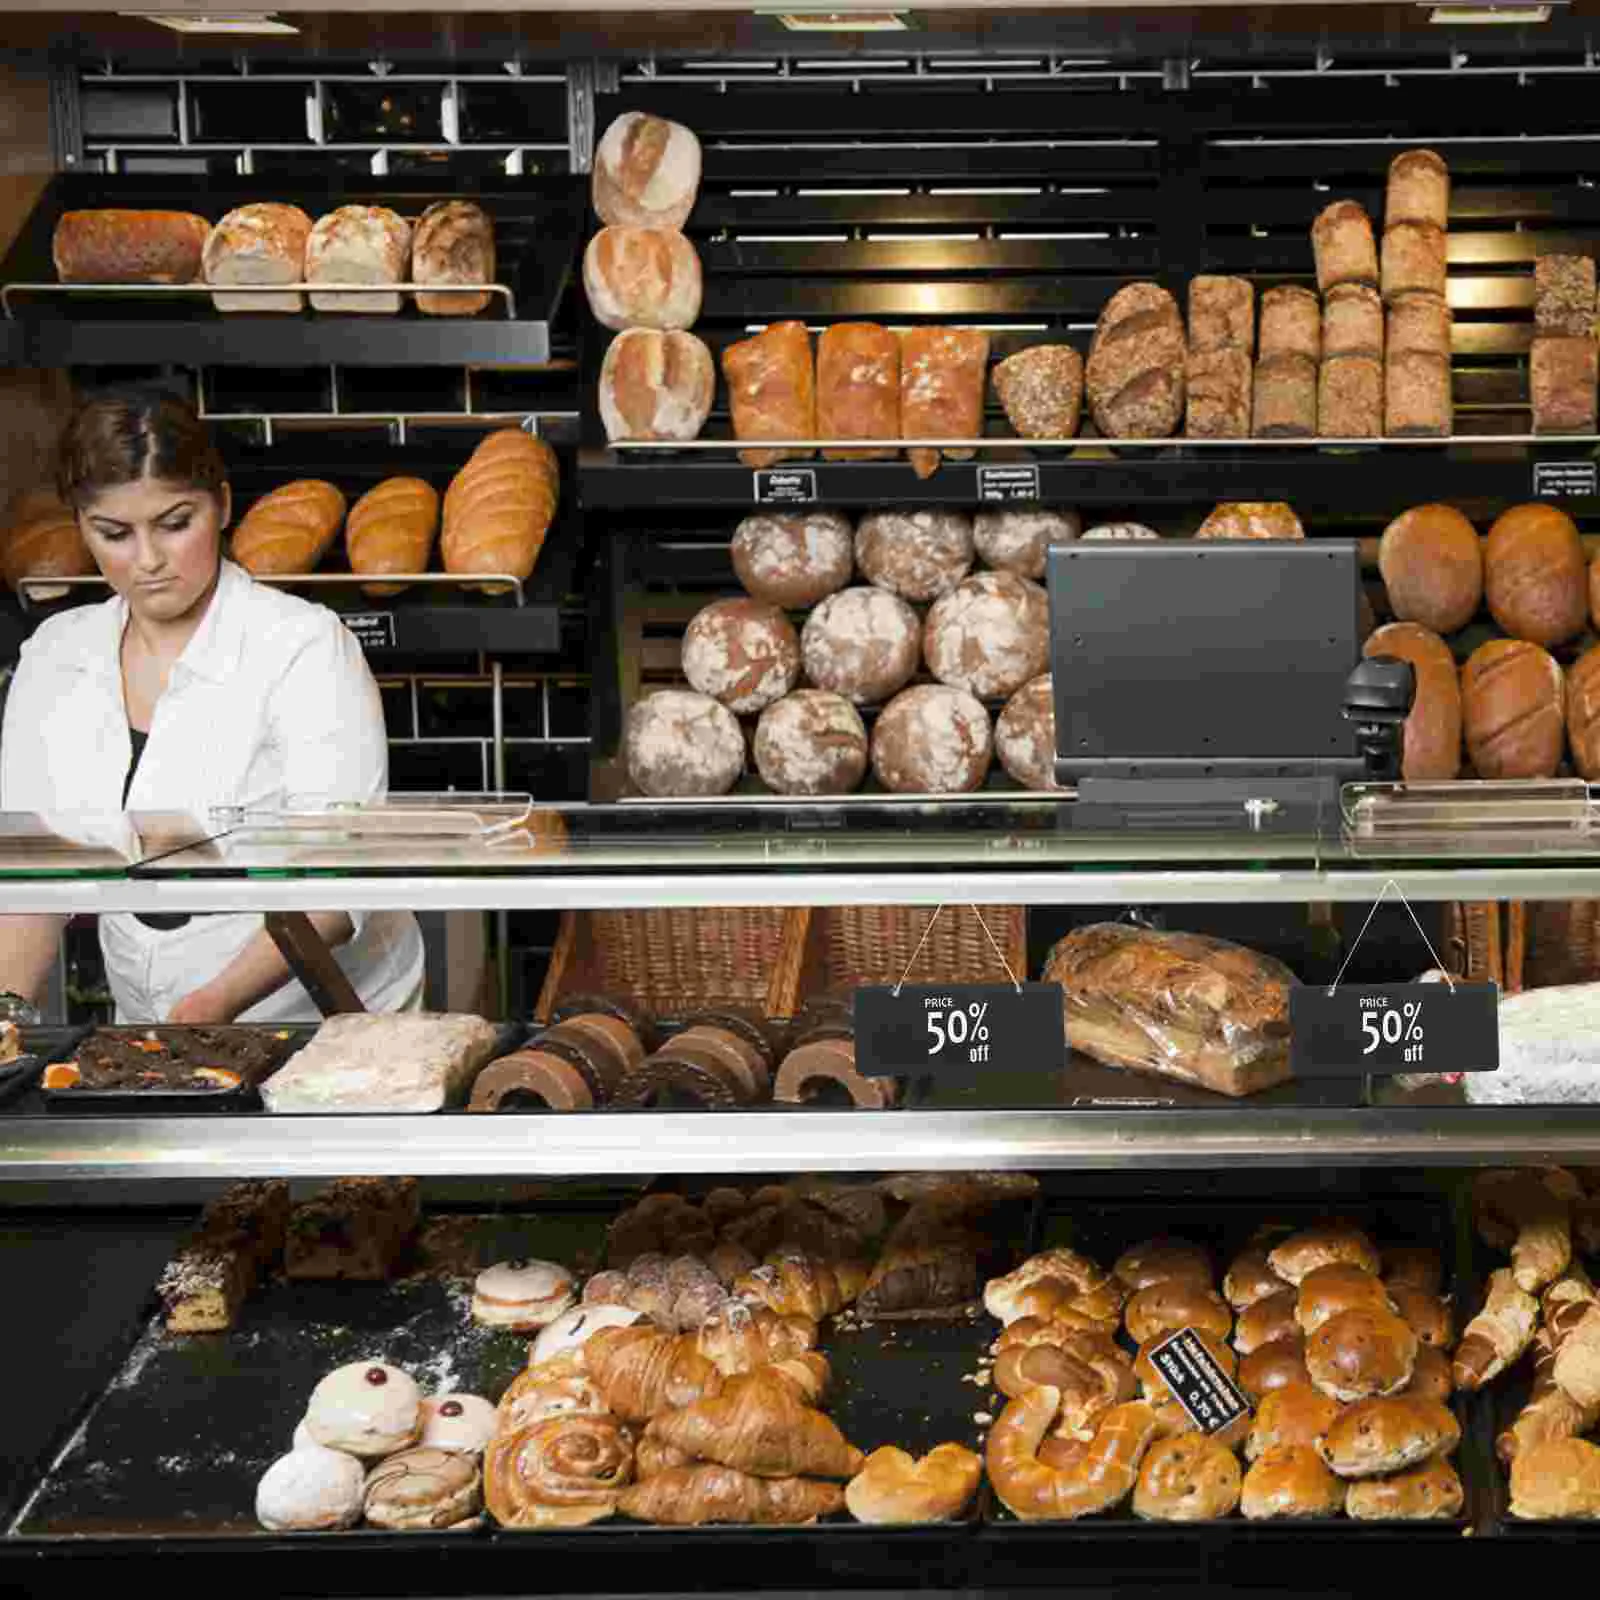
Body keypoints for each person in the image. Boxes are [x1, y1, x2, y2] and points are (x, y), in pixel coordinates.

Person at [0, 389, 424, 1022]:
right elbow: (32, 876)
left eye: (175, 523)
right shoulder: (55, 656)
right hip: (150, 1021)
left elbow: (335, 892)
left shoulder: (304, 647)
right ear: (81, 527)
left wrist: (199, 1013)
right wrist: (5, 1012)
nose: (147, 561)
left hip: (315, 1024)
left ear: (222, 504)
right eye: (114, 533)